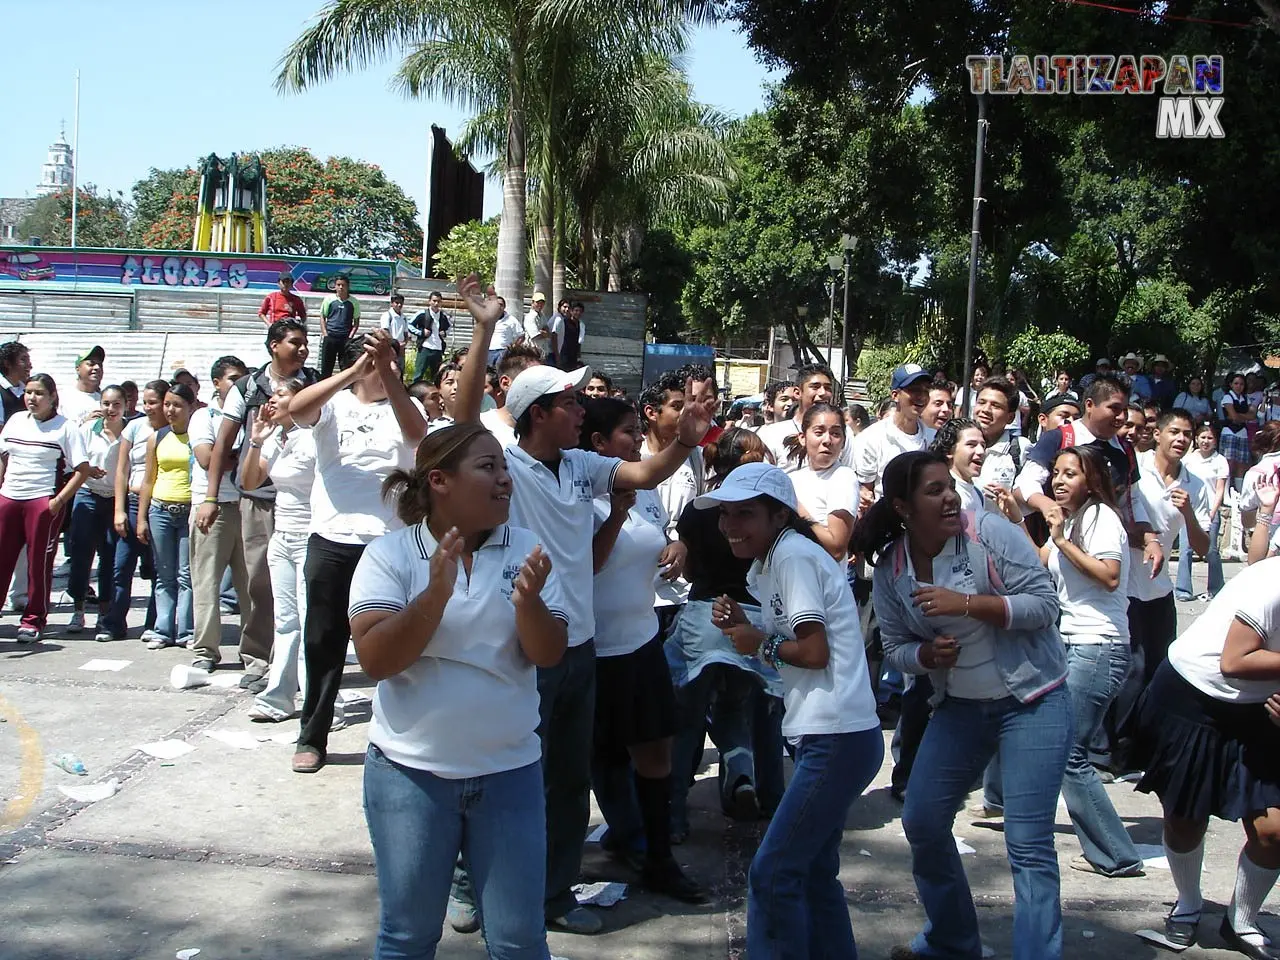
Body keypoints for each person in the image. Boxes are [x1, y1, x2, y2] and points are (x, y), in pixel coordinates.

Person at [444, 278, 714, 936]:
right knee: (502, 771)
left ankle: (551, 896)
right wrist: (484, 328)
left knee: (566, 782)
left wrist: (685, 437)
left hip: (581, 648)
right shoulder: (507, 464)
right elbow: (462, 417)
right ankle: (467, 882)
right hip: (525, 648)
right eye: (569, 401)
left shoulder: (578, 466)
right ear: (539, 413)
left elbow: (646, 475)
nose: (582, 409)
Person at [349, 423, 569, 960]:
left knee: (519, 941)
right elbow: (377, 659)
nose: (504, 480)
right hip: (410, 777)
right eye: (487, 467)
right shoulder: (390, 556)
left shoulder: (529, 551)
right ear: (440, 481)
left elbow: (549, 653)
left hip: (508, 775)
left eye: (504, 467)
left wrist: (528, 605)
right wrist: (434, 596)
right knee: (407, 938)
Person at [856, 450, 1071, 960]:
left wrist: (969, 605)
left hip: (1034, 700)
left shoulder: (989, 533)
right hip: (960, 708)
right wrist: (926, 653)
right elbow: (895, 647)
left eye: (949, 485)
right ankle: (952, 939)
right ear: (903, 508)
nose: (950, 496)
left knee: (1028, 843)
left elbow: (1045, 606)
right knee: (923, 821)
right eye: (934, 490)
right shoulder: (893, 568)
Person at [705, 463, 882, 959]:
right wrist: (749, 625)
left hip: (835, 736)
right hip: (834, 735)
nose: (730, 525)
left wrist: (757, 642)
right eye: (724, 514)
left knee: (774, 872)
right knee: (812, 872)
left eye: (745, 514)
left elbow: (813, 651)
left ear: (779, 515)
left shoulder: (793, 557)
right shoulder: (776, 559)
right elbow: (798, 636)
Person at [580, 397, 706, 903]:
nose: (636, 440)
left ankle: (657, 857)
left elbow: (657, 531)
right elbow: (588, 563)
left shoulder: (640, 486)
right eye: (628, 432)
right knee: (598, 759)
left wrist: (674, 546)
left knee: (655, 752)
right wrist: (614, 516)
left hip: (641, 639)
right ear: (598, 445)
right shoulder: (578, 492)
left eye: (638, 430)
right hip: (593, 650)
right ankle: (598, 849)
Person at [288, 329, 429, 774]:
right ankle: (312, 736)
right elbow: (296, 409)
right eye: (380, 358)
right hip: (332, 540)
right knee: (322, 644)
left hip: (387, 547)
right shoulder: (333, 404)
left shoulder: (408, 405)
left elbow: (417, 434)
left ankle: (407, 736)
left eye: (393, 358)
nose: (386, 364)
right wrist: (351, 372)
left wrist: (389, 376)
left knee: (398, 644)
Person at [1129, 556, 1280, 957]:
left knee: (1274, 832)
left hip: (1261, 710)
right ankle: (1188, 904)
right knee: (1186, 820)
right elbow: (1235, 661)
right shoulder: (1273, 583)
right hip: (1193, 698)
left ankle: (1241, 921)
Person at [1031, 445, 1145, 877]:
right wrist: (1009, 518)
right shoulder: (1072, 519)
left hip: (1098, 648)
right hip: (1073, 644)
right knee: (1061, 747)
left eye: (1070, 474)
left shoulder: (1100, 518)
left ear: (1091, 479)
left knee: (1070, 753)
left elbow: (1110, 574)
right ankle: (1109, 850)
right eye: (1056, 473)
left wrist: (1060, 540)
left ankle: (1117, 855)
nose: (1059, 481)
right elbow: (1036, 561)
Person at [666, 428, 785, 840]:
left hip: (703, 620)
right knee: (758, 716)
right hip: (754, 622)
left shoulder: (702, 511)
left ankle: (673, 814)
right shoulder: (772, 512)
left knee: (688, 719)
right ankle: (764, 795)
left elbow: (686, 559)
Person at [198, 322, 316, 686]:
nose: (303, 350)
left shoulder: (314, 382)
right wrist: (211, 496)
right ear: (273, 346)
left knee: (305, 589)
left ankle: (300, 664)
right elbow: (222, 445)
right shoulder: (247, 388)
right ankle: (257, 658)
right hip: (260, 499)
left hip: (307, 501)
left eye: (305, 343)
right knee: (260, 584)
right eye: (295, 343)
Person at [1105, 408, 1210, 775]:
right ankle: (1110, 750)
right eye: (1175, 432)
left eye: (1188, 434)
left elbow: (1201, 546)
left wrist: (1190, 514)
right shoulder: (1136, 468)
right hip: (1125, 584)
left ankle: (1138, 749)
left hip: (1160, 589)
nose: (1181, 439)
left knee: (1156, 669)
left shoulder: (1195, 483)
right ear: (1159, 434)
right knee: (1128, 669)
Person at [240, 379, 316, 723]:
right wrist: (256, 440)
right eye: (271, 396)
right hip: (282, 537)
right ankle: (279, 698)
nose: (272, 401)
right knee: (286, 622)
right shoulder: (275, 437)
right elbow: (251, 481)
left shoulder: (316, 436)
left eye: (281, 395)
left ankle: (321, 702)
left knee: (310, 620)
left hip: (312, 537)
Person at [186, 357, 265, 678]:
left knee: (251, 586)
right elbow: (208, 458)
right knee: (207, 581)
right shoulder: (204, 416)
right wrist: (239, 457)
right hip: (212, 505)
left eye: (243, 379)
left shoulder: (254, 414)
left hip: (248, 504)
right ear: (216, 382)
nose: (239, 385)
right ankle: (205, 649)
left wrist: (241, 455)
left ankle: (254, 652)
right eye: (232, 379)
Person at [0, 374, 91, 642]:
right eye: (28, 392)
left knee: (38, 563)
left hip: (42, 500)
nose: (32, 398)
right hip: (9, 497)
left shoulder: (66, 428)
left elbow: (81, 470)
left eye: (39, 393)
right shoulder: (16, 421)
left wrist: (56, 502)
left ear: (52, 397)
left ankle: (33, 618)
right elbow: (4, 458)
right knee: (2, 559)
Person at [135, 382, 198, 650]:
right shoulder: (157, 437)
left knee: (186, 575)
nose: (170, 410)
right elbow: (148, 479)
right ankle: (162, 629)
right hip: (160, 509)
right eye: (167, 404)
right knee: (164, 574)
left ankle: (186, 631)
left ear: (191, 407)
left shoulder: (198, 437)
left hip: (187, 511)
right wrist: (141, 518)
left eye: (177, 405)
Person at [109, 380, 167, 643]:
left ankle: (154, 624)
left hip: (159, 504)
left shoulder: (172, 430)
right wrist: (119, 509)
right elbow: (121, 470)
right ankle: (114, 623)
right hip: (131, 503)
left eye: (153, 402)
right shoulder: (134, 427)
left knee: (157, 570)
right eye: (144, 402)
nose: (147, 407)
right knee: (121, 567)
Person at [66, 384, 126, 637]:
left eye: (115, 404)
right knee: (81, 555)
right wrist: (88, 469)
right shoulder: (88, 429)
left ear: (125, 406)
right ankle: (78, 609)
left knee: (110, 557)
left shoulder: (129, 431)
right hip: (88, 493)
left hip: (115, 499)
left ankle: (104, 613)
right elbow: (72, 459)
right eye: (105, 403)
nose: (110, 409)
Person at [785, 402, 858, 563]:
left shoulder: (843, 477)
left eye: (836, 434)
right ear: (803, 438)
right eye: (819, 432)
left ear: (844, 442)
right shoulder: (792, 479)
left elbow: (836, 549)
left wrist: (794, 505)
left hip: (822, 584)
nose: (827, 440)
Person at [854, 363, 935, 502]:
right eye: (914, 390)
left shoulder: (934, 437)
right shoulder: (871, 438)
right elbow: (866, 489)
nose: (921, 396)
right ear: (895, 395)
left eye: (926, 390)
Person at [1178, 422, 1229, 601]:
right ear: (1196, 439)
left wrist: (1213, 512)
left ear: (1215, 441)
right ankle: (1183, 589)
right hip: (1189, 511)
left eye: (1210, 438)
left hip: (1209, 512)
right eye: (1203, 437)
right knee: (1186, 551)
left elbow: (1219, 489)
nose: (1206, 441)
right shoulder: (1188, 460)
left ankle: (1216, 588)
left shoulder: (1220, 461)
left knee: (1212, 551)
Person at [756, 364, 838, 472]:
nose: (823, 393)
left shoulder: (841, 433)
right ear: (797, 393)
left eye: (827, 388)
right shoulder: (770, 435)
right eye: (815, 387)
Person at [479, 344, 543, 450]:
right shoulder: (481, 425)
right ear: (505, 383)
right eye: (532, 380)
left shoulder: (547, 431)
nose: (541, 387)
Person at [318, 275, 361, 379]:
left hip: (345, 340)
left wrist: (350, 337)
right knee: (326, 369)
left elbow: (356, 322)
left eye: (343, 285)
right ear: (335, 286)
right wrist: (325, 334)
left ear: (348, 286)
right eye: (338, 285)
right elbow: (323, 317)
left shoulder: (353, 302)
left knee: (346, 368)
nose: (341, 287)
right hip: (330, 338)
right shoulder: (329, 299)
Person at [407, 290, 450, 384]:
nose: (436, 303)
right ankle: (414, 395)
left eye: (438, 301)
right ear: (429, 301)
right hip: (425, 348)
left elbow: (449, 328)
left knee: (436, 376)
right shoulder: (422, 313)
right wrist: (421, 332)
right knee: (418, 375)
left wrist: (445, 333)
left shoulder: (443, 316)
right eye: (434, 301)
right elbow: (409, 325)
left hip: (438, 349)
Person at [1222, 374, 1257, 486]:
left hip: (1243, 433)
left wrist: (1238, 416)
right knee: (1229, 462)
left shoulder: (1245, 398)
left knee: (1242, 463)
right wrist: (1242, 416)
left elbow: (1253, 416)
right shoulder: (1227, 397)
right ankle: (1226, 491)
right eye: (1236, 383)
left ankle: (1239, 490)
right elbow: (1233, 416)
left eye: (1241, 384)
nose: (1239, 386)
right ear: (1231, 384)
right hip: (1229, 432)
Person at [60, 345, 104, 424]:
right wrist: (85, 423)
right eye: (91, 364)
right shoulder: (64, 397)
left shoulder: (105, 400)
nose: (97, 367)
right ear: (77, 368)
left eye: (100, 364)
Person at [549, 301, 586, 371]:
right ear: (571, 311)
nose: (578, 313)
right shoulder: (563, 322)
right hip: (562, 355)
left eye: (580, 311)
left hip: (573, 356)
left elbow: (579, 342)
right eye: (576, 310)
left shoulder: (581, 325)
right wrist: (557, 356)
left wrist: (578, 357)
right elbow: (554, 337)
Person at [486, 298, 522, 368]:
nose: (499, 307)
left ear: (504, 307)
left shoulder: (511, 320)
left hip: (503, 351)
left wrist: (513, 347)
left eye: (501, 305)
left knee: (500, 372)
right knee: (488, 374)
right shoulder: (487, 319)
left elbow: (521, 336)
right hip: (488, 351)